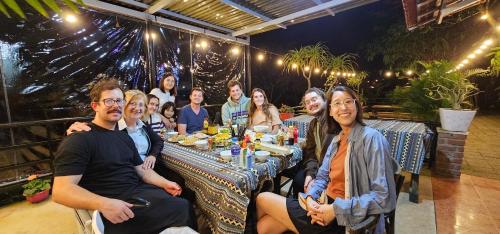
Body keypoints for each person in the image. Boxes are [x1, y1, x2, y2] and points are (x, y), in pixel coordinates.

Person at [53, 78, 196, 234]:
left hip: (137, 192)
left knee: (183, 200)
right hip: (114, 206)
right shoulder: (80, 138)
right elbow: (61, 191)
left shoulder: (123, 136)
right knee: (182, 208)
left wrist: (164, 183)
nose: (116, 105)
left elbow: (142, 170)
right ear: (95, 106)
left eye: (119, 100)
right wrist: (104, 204)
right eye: (108, 101)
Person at [256, 86, 398, 234]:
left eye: (348, 101)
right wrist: (311, 197)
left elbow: (384, 197)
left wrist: (334, 210)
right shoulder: (337, 140)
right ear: (330, 110)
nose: (343, 107)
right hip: (324, 203)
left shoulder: (371, 138)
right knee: (264, 226)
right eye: (337, 103)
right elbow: (323, 176)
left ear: (357, 105)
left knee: (262, 198)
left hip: (347, 219)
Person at [293, 88, 334, 196]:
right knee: (299, 179)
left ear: (325, 99)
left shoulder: (334, 121)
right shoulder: (313, 124)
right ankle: (303, 207)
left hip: (332, 173)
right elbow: (310, 153)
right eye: (307, 102)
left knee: (300, 182)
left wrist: (319, 179)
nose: (311, 104)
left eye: (314, 99)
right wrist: (310, 174)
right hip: (317, 167)